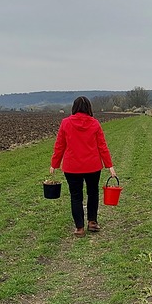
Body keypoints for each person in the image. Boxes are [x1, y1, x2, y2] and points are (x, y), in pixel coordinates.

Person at [50, 96, 116, 236]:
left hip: (72, 167)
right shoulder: (95, 123)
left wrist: (54, 164)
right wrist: (109, 165)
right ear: (89, 108)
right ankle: (92, 222)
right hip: (92, 166)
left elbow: (60, 145)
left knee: (76, 196)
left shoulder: (65, 123)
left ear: (74, 107)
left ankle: (79, 228)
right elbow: (102, 146)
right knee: (93, 193)